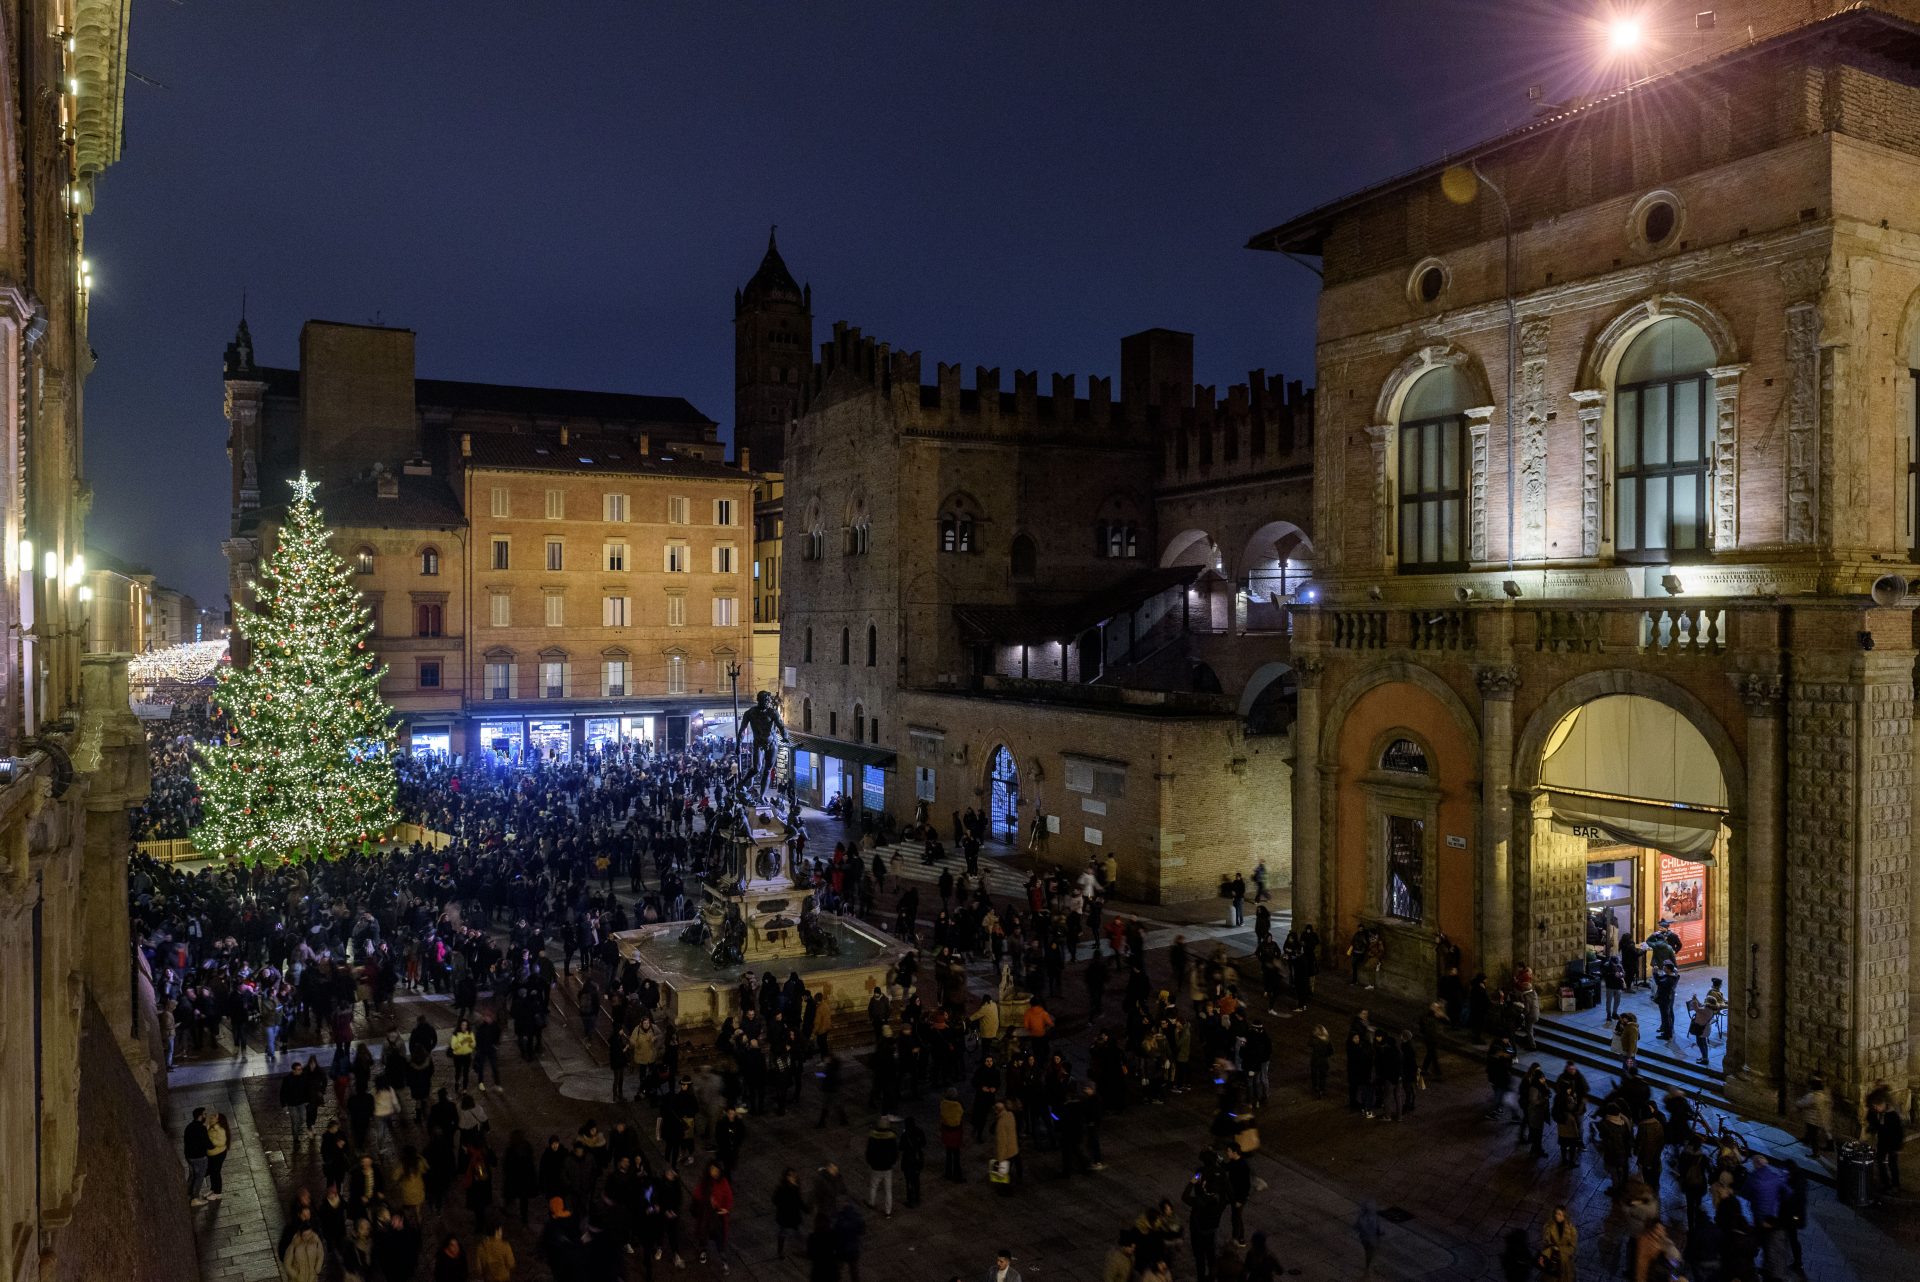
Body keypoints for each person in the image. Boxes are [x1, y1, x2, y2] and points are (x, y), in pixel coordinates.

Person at [1867, 1086, 1906, 1192]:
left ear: (1882, 1104)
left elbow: (1898, 1132)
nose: (1875, 1108)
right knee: (1880, 1161)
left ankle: (1895, 1185)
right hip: (1882, 1142)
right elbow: (1876, 1123)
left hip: (1892, 1143)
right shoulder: (1879, 1112)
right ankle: (1885, 1183)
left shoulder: (1892, 1115)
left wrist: (1897, 1147)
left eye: (1876, 1106)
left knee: (1892, 1164)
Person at [865, 1115, 899, 1216]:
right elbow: (895, 1153)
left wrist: (870, 1162)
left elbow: (869, 1152)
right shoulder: (891, 1138)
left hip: (875, 1167)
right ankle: (888, 1211)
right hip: (887, 1167)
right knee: (888, 1190)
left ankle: (871, 1203)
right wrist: (892, 1162)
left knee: (873, 1186)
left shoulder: (873, 1137)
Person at [773, 1168, 808, 1259]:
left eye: (794, 1175)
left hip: (794, 1216)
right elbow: (775, 1200)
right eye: (791, 1176)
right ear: (786, 1177)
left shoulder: (795, 1187)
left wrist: (805, 1208)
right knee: (783, 1233)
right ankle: (780, 1252)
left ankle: (801, 1250)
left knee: (799, 1233)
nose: (793, 1177)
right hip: (785, 1216)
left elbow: (799, 1200)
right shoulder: (782, 1189)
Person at [1538, 1205, 1577, 1282]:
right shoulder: (1548, 1227)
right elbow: (1546, 1243)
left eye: (1561, 1214)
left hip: (1565, 1262)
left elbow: (1573, 1247)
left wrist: (1560, 1249)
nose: (1559, 1216)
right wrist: (1544, 1255)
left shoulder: (1571, 1228)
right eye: (1557, 1214)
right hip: (1552, 1260)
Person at [184, 1106, 212, 1206]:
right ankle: (195, 1199)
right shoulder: (201, 1128)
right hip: (199, 1158)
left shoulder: (189, 1126)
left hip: (189, 1157)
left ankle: (187, 1194)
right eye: (205, 1114)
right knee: (199, 1177)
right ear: (200, 1116)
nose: (206, 1116)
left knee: (192, 1175)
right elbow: (208, 1144)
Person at [204, 1111, 231, 1201]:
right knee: (212, 1173)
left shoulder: (220, 1129)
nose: (212, 1116)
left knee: (216, 1173)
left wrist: (210, 1141)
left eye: (215, 1116)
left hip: (218, 1154)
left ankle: (218, 1193)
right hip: (212, 1154)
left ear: (218, 1120)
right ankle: (213, 1189)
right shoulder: (212, 1126)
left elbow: (221, 1142)